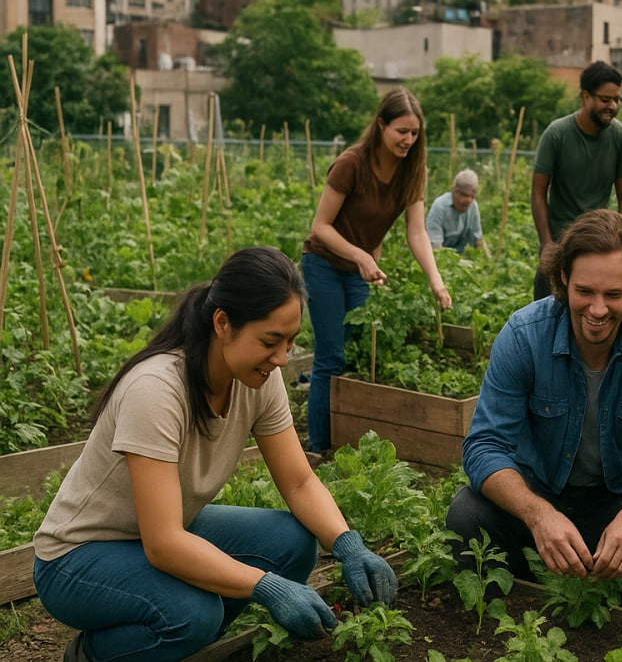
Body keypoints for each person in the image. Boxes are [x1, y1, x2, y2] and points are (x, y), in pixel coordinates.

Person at [33, 247, 397, 662]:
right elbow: (164, 543)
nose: (281, 358)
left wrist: (349, 545)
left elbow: (299, 481)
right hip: (78, 558)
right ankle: (92, 655)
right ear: (222, 323)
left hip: (160, 533)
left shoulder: (260, 378)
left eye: (291, 342)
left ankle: (178, 638)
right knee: (193, 614)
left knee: (293, 542)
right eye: (270, 341)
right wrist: (264, 585)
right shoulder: (156, 390)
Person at [445, 209, 622, 603]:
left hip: (619, 494)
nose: (597, 309)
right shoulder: (524, 335)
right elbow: (484, 447)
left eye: (613, 295)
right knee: (465, 518)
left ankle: (619, 595)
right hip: (537, 489)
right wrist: (538, 515)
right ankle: (539, 590)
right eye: (584, 292)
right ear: (562, 280)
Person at [301, 88, 452, 453]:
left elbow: (416, 232)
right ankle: (319, 448)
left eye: (415, 133)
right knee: (331, 357)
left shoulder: (411, 171)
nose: (409, 140)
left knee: (360, 350)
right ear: (381, 124)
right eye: (402, 131)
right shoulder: (352, 163)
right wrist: (361, 256)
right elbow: (320, 226)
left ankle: (349, 439)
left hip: (358, 269)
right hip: (323, 264)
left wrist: (437, 281)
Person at [531, 61, 622, 300]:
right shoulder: (557, 134)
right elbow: (538, 192)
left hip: (600, 240)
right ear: (586, 96)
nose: (612, 106)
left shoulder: (621, 137)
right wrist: (546, 243)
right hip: (561, 240)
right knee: (548, 306)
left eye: (617, 100)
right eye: (605, 99)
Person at [426, 168, 488, 256]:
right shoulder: (439, 206)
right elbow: (435, 247)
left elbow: (477, 238)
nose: (469, 200)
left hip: (460, 257)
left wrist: (489, 263)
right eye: (465, 195)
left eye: (472, 196)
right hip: (439, 255)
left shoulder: (473, 206)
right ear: (455, 192)